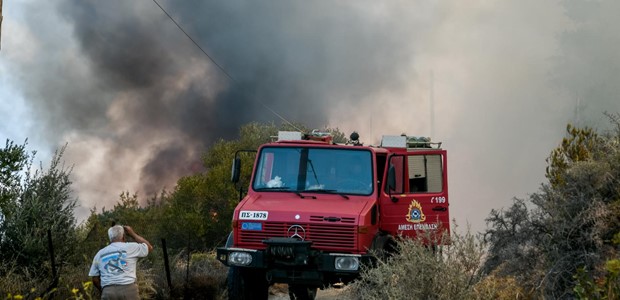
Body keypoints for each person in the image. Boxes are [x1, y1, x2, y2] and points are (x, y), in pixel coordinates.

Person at [89, 225, 153, 299]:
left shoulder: (99, 253)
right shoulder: (131, 247)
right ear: (123, 236)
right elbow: (149, 247)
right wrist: (132, 234)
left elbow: (95, 279)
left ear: (110, 238)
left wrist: (104, 290)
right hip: (128, 290)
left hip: (108, 291)